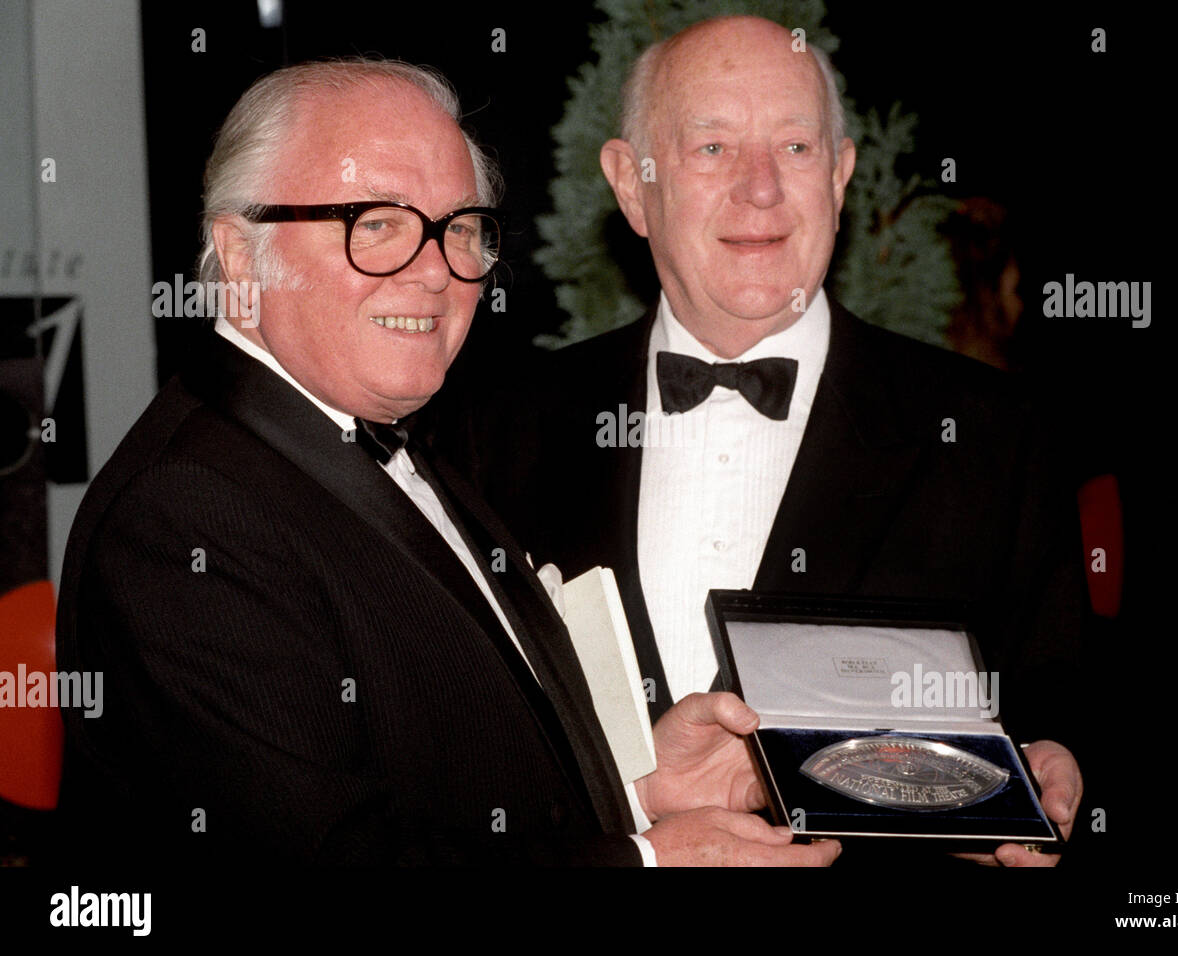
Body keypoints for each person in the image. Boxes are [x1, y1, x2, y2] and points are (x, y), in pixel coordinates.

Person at [54, 58, 839, 867]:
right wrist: (645, 862)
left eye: (459, 227)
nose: (435, 271)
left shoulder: (405, 444)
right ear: (243, 255)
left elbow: (447, 786)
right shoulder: (187, 513)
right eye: (378, 224)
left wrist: (634, 793)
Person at [427, 17, 1085, 866]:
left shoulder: (995, 436)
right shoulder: (489, 434)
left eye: (798, 148)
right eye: (711, 148)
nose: (762, 189)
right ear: (632, 185)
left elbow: (1065, 695)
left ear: (841, 175)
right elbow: (447, 751)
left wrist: (1062, 764)